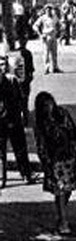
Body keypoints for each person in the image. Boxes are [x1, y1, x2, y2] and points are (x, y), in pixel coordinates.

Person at [33, 92, 76, 234]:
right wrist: (45, 162)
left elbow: (74, 132)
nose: (47, 107)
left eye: (49, 103)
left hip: (69, 157)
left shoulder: (62, 113)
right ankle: (63, 220)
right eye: (44, 105)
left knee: (67, 189)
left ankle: (60, 215)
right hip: (55, 160)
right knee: (60, 190)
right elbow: (40, 143)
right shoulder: (41, 122)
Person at [0, 53, 35, 189]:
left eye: (3, 64)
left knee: (20, 149)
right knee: (1, 152)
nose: (2, 68)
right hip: (0, 123)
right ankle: (2, 178)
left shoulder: (12, 80)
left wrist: (21, 116)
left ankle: (26, 174)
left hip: (14, 120)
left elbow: (21, 100)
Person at [33, 4, 63, 74]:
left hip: (53, 36)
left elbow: (59, 24)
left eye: (50, 9)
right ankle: (47, 68)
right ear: (45, 10)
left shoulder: (54, 17)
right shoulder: (43, 18)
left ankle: (55, 67)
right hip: (46, 36)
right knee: (46, 53)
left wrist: (60, 30)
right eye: (47, 9)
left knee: (54, 53)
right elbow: (35, 26)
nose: (48, 10)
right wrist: (40, 34)